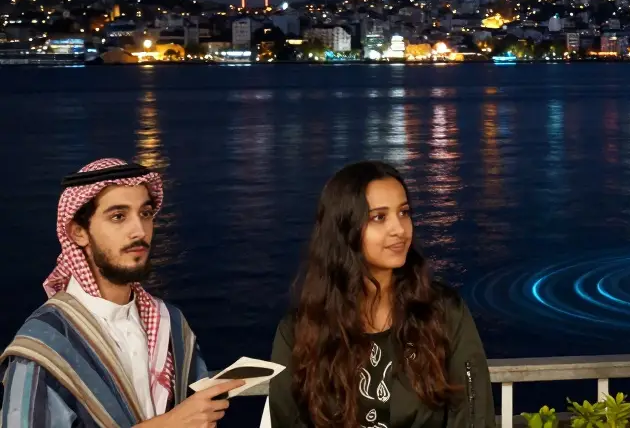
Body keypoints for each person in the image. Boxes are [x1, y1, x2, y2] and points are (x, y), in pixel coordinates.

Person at [0, 158, 242, 427]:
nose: (139, 231)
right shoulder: (44, 345)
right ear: (79, 233)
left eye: (146, 214)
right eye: (118, 216)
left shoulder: (170, 324)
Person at [268, 160, 495, 428]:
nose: (399, 229)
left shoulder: (443, 313)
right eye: (379, 217)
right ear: (344, 231)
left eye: (404, 213)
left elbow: (473, 416)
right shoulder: (298, 332)